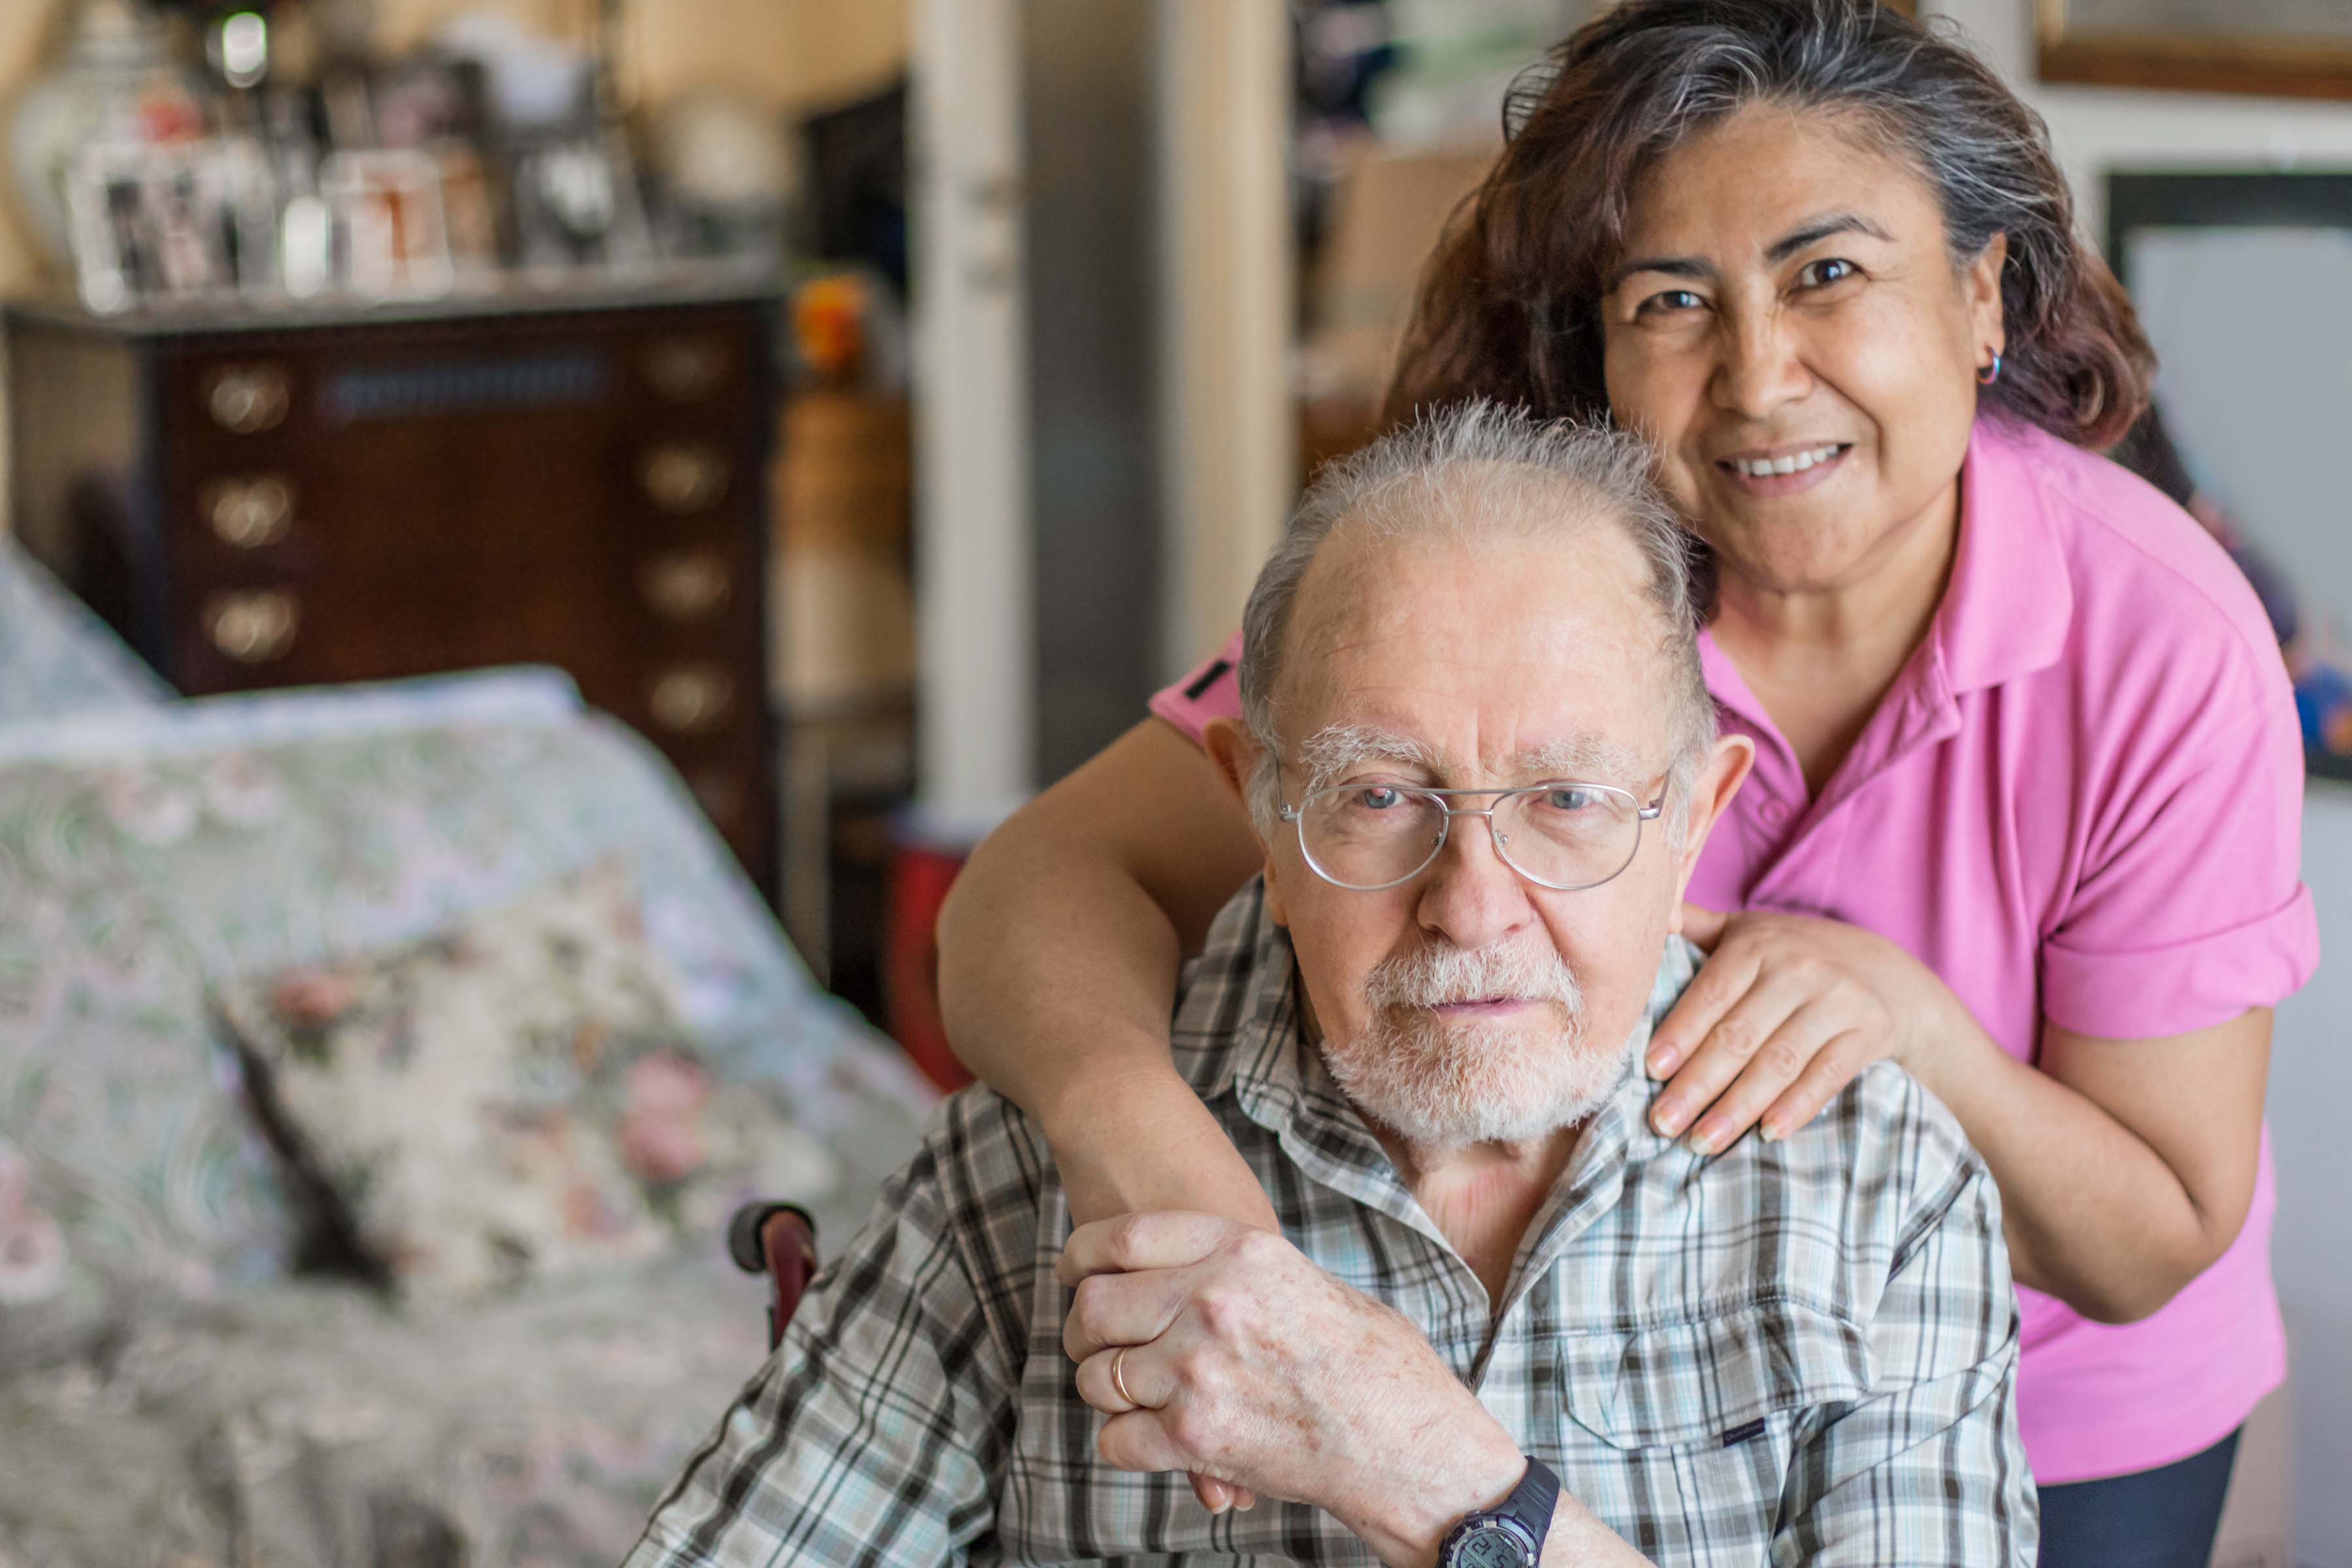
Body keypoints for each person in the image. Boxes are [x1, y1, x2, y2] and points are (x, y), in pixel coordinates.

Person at [936, 4, 2317, 1564]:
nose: (1759, 374)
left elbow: (2158, 1241)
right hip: (1599, 1393)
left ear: (1981, 298)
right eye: (1673, 299)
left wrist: (1907, 1021)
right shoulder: (1527, 601)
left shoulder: (2158, 635)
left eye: (1829, 274)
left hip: (2058, 1424)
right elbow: (1031, 886)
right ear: (1595, 349)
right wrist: (1149, 1144)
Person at [627, 408, 2033, 1567]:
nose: (1473, 901)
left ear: (1691, 819)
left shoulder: (1877, 1190)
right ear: (1256, 801)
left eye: (1565, 798)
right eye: (1375, 796)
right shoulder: (1031, 1169)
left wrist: (1424, 1469)